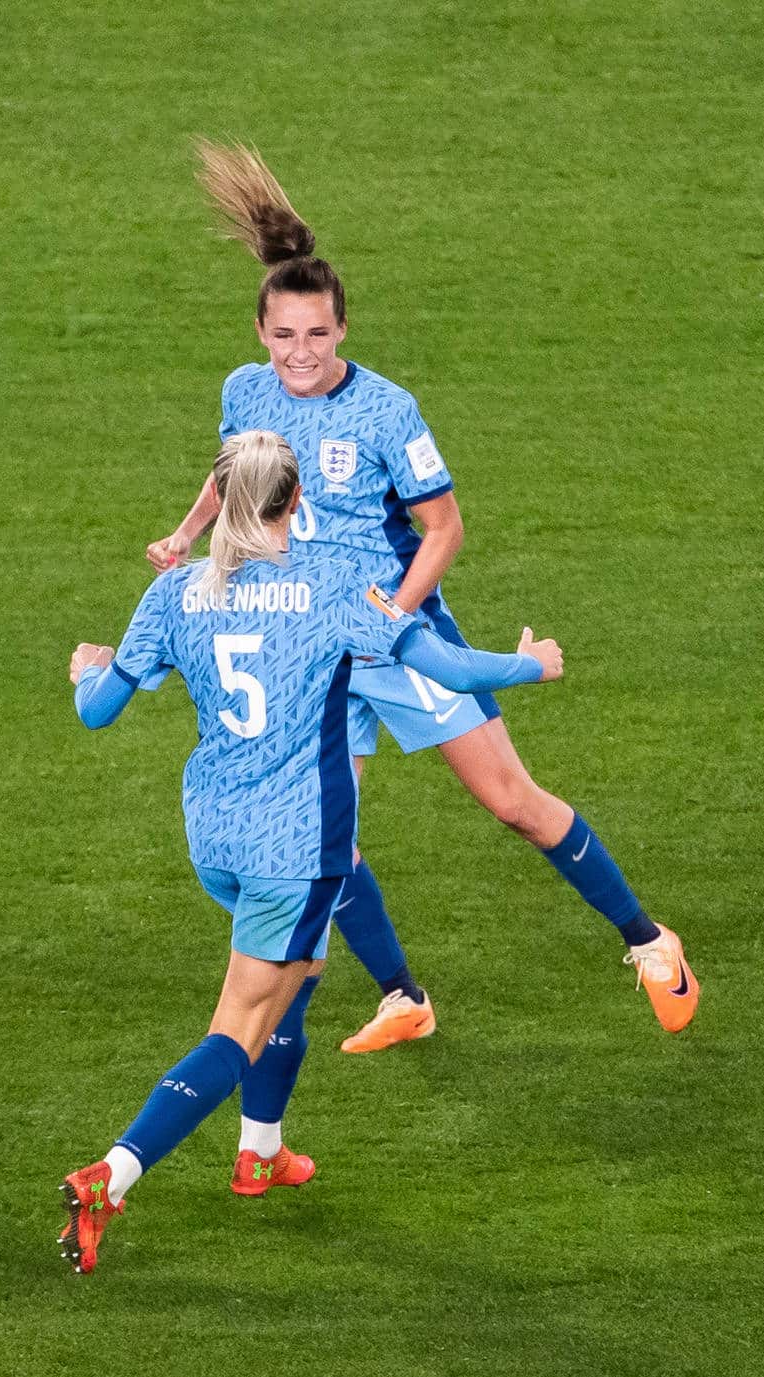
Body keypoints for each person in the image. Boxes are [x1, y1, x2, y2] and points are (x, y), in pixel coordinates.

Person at [147, 140, 699, 1053]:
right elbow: (230, 480)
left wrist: (393, 621)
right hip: (306, 647)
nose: (300, 353)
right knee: (330, 840)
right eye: (283, 336)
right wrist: (185, 535)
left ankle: (649, 940)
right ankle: (405, 996)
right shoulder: (245, 391)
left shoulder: (387, 411)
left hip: (389, 631)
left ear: (343, 328)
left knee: (511, 799)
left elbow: (444, 529)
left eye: (317, 334)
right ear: (260, 336)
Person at [60, 430, 561, 1274]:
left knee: (308, 964)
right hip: (296, 845)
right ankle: (111, 1175)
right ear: (297, 504)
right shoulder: (331, 585)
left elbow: (98, 711)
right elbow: (439, 662)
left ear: (218, 501)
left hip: (214, 834)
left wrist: (85, 670)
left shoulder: (175, 593)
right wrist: (529, 664)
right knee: (239, 1024)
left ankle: (263, 1151)